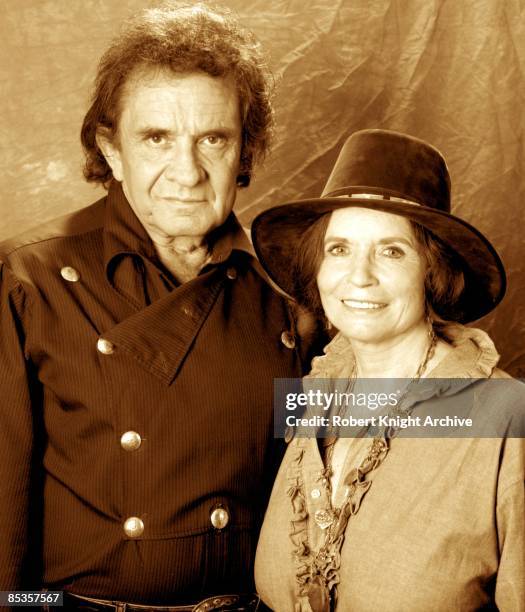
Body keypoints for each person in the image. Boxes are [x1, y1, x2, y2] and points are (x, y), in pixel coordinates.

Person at [0, 3, 319, 609]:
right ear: (111, 150)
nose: (187, 171)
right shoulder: (27, 278)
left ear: (245, 153)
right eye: (156, 138)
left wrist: (483, 405)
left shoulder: (289, 298)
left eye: (213, 139)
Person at [252, 129, 525, 611]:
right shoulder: (310, 395)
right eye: (339, 249)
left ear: (432, 271)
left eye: (391, 251)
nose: (359, 276)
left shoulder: (507, 422)